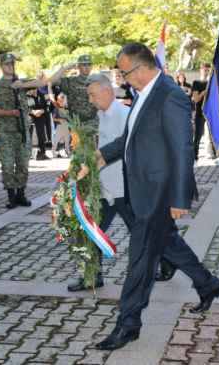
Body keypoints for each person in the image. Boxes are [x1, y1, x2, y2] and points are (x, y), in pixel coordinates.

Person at [94, 42, 219, 351]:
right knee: (167, 243)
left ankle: (128, 325)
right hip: (142, 189)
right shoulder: (144, 93)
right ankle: (209, 285)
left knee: (140, 259)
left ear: (140, 69)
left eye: (124, 73)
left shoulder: (170, 95)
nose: (122, 79)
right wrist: (102, 154)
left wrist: (179, 199)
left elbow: (182, 149)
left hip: (158, 194)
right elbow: (131, 138)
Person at [67, 74, 132, 292]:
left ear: (107, 91)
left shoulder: (124, 114)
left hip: (125, 189)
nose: (90, 100)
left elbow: (130, 149)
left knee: (144, 234)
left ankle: (169, 262)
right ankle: (92, 277)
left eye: (93, 95)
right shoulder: (101, 114)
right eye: (88, 96)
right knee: (91, 232)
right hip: (105, 189)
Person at [0, 53, 46, 208]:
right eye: (7, 64)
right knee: (7, 164)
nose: (10, 66)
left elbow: (41, 82)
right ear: (1, 66)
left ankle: (21, 194)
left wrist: (24, 85)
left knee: (22, 164)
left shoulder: (20, 82)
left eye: (12, 63)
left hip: (22, 132)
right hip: (5, 132)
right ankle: (10, 195)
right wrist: (8, 113)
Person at [49, 55, 98, 126]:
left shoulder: (96, 82)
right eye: (84, 65)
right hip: (76, 124)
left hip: (93, 123)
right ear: (78, 66)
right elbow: (53, 79)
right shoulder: (71, 82)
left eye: (89, 64)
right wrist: (66, 68)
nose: (87, 67)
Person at [192, 62, 219, 167]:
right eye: (205, 70)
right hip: (200, 112)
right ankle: (195, 159)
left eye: (208, 70)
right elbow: (195, 99)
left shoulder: (211, 84)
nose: (207, 72)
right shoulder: (196, 82)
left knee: (212, 135)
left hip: (210, 113)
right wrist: (202, 94)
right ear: (201, 70)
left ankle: (214, 157)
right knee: (198, 136)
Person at [27, 89, 49, 160]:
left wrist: (41, 111)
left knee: (41, 136)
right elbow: (24, 107)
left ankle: (42, 152)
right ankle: (28, 154)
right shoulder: (27, 95)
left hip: (40, 117)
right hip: (30, 117)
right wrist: (33, 112)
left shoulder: (41, 94)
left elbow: (45, 106)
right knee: (29, 136)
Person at [50, 93, 70, 158]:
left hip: (66, 125)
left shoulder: (66, 109)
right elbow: (54, 118)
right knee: (57, 139)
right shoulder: (56, 109)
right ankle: (53, 150)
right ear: (57, 101)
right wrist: (60, 119)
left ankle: (68, 151)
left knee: (67, 139)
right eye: (60, 101)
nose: (62, 102)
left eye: (63, 101)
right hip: (59, 125)